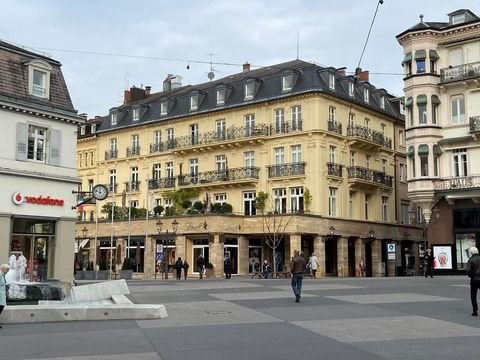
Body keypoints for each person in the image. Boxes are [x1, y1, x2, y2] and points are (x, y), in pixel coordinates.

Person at [467, 246, 480, 316]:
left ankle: (475, 311)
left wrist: (471, 276)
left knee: (473, 295)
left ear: (471, 252)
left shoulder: (470, 260)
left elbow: (468, 271)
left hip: (474, 279)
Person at [0, 264, 10, 328]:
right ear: (4, 269)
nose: (8, 271)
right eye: (7, 270)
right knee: (0, 307)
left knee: (1, 307)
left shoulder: (2, 275)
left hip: (1, 294)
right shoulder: (0, 275)